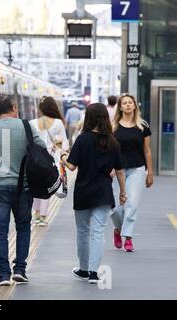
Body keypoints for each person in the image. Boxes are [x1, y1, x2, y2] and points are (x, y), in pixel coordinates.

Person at [0, 95, 46, 286]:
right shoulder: (27, 127)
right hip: (24, 186)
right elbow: (42, 149)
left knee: (0, 231)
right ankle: (20, 269)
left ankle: (3, 274)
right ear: (14, 108)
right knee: (23, 227)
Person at [60, 103, 126, 284]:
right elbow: (120, 171)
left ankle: (83, 269)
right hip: (103, 192)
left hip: (83, 191)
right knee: (98, 232)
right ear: (105, 118)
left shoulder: (82, 139)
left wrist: (63, 156)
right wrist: (122, 192)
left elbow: (72, 166)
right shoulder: (112, 141)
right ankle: (94, 273)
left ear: (88, 118)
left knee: (83, 231)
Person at [111, 93, 153, 252]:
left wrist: (150, 173)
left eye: (130, 102)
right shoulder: (113, 126)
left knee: (132, 204)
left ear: (135, 106)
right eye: (124, 103)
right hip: (116, 170)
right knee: (116, 207)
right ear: (120, 107)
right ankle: (117, 229)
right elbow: (108, 150)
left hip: (137, 169)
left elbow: (147, 151)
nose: (128, 105)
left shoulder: (143, 125)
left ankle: (128, 237)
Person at [30, 97, 69, 227]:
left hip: (35, 159)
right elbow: (64, 144)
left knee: (35, 185)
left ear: (41, 109)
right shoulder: (58, 123)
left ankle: (35, 214)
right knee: (47, 186)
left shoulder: (32, 123)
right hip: (51, 158)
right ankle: (43, 216)